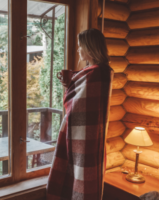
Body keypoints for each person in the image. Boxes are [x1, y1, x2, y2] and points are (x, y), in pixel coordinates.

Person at [46, 28, 114, 200]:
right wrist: (70, 81)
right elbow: (79, 92)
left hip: (88, 135)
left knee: (83, 174)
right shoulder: (94, 72)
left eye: (79, 46)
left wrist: (71, 83)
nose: (78, 50)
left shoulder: (98, 73)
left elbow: (79, 103)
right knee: (74, 171)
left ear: (90, 49)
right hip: (83, 132)